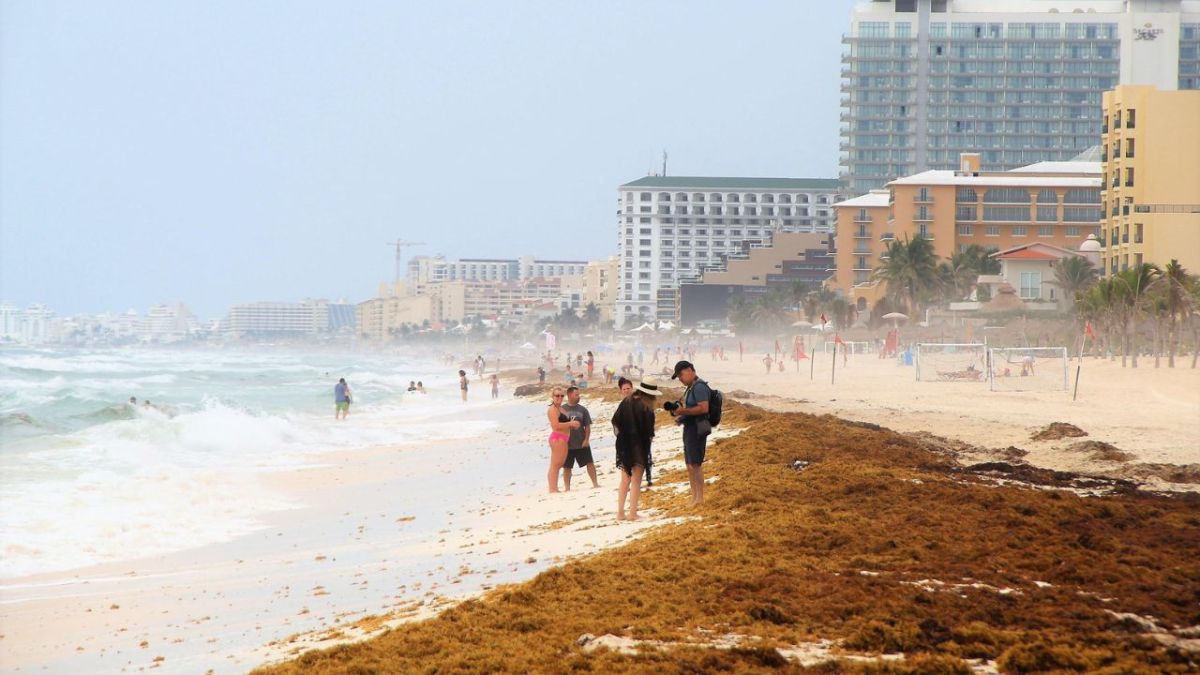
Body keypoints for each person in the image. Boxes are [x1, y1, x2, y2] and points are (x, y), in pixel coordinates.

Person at [612, 378, 658, 520]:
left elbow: (615, 422)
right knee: (636, 480)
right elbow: (649, 433)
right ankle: (632, 513)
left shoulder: (626, 401)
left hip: (624, 444)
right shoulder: (647, 407)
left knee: (625, 480)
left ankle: (620, 513)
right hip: (638, 446)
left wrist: (622, 438)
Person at [669, 361, 711, 506]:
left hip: (697, 429)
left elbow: (704, 408)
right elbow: (693, 409)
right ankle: (694, 496)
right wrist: (682, 417)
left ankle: (699, 498)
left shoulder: (699, 387)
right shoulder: (691, 387)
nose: (680, 378)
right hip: (690, 428)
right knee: (690, 464)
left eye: (681, 374)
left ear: (689, 370)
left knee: (696, 464)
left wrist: (683, 412)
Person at [560, 386, 598, 490]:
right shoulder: (562, 409)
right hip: (567, 444)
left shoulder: (583, 410)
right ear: (569, 395)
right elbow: (558, 427)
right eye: (576, 394)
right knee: (567, 467)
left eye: (578, 394)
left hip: (582, 442)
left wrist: (586, 440)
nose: (578, 396)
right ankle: (567, 488)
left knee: (590, 463)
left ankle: (595, 484)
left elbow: (587, 426)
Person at [546, 387, 581, 493]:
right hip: (557, 438)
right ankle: (553, 489)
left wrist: (573, 425)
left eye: (561, 395)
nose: (559, 397)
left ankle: (554, 487)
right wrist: (570, 423)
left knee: (560, 464)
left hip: (564, 438)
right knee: (555, 464)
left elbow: (564, 423)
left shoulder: (561, 408)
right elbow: (556, 426)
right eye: (557, 395)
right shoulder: (552, 410)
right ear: (552, 397)